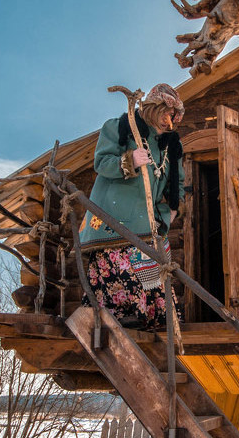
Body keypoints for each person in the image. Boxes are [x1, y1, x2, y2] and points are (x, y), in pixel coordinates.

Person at [78, 83, 186, 332]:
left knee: (154, 275)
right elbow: (101, 163)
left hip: (148, 223)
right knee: (119, 269)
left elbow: (177, 184)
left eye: (174, 118)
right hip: (113, 220)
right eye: (168, 115)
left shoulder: (170, 146)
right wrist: (129, 161)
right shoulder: (120, 128)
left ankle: (154, 320)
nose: (170, 122)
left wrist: (171, 211)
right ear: (155, 108)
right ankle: (119, 319)